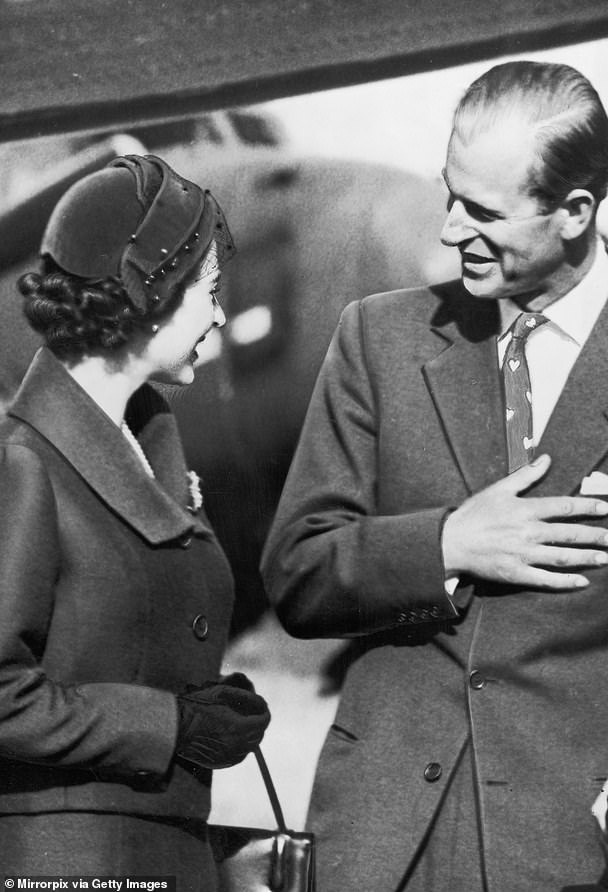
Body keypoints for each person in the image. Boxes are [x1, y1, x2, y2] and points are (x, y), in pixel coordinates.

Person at [260, 60, 608, 891]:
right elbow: (297, 572)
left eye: (485, 211)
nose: (451, 230)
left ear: (575, 212)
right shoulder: (377, 340)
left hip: (576, 850)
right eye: (450, 195)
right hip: (383, 844)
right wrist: (449, 544)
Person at [0, 154, 270, 885]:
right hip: (64, 867)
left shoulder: (146, 450)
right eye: (207, 291)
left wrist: (204, 708)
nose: (219, 314)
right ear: (146, 290)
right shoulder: (22, 462)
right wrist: (171, 727)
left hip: (157, 855)